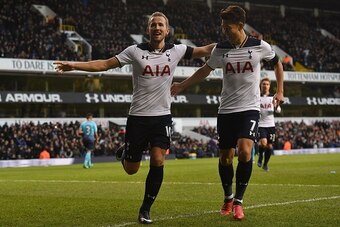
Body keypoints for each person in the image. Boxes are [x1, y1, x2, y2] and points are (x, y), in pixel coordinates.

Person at [54, 11, 215, 224]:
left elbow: (205, 50)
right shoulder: (134, 51)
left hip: (162, 117)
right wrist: (74, 65)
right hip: (138, 117)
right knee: (132, 169)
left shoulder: (177, 50)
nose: (157, 28)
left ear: (167, 30)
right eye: (153, 25)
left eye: (160, 25)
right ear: (148, 30)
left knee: (158, 160)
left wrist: (232, 40)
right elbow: (104, 64)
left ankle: (145, 209)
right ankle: (125, 152)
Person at [171, 5, 284, 220]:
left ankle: (239, 201)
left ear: (240, 26)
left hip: (249, 109)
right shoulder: (220, 49)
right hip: (226, 110)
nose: (224, 31)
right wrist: (182, 85)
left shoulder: (260, 46)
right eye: (223, 27)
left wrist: (279, 90)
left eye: (228, 27)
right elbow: (205, 70)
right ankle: (228, 197)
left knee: (244, 151)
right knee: (225, 158)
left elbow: (278, 64)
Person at [257, 77, 282, 171]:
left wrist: (277, 107)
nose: (265, 86)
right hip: (261, 125)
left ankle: (265, 164)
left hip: (271, 125)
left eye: (267, 84)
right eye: (264, 84)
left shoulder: (273, 97)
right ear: (261, 85)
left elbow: (278, 110)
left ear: (269, 86)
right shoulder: (257, 97)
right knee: (263, 143)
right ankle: (260, 157)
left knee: (269, 146)